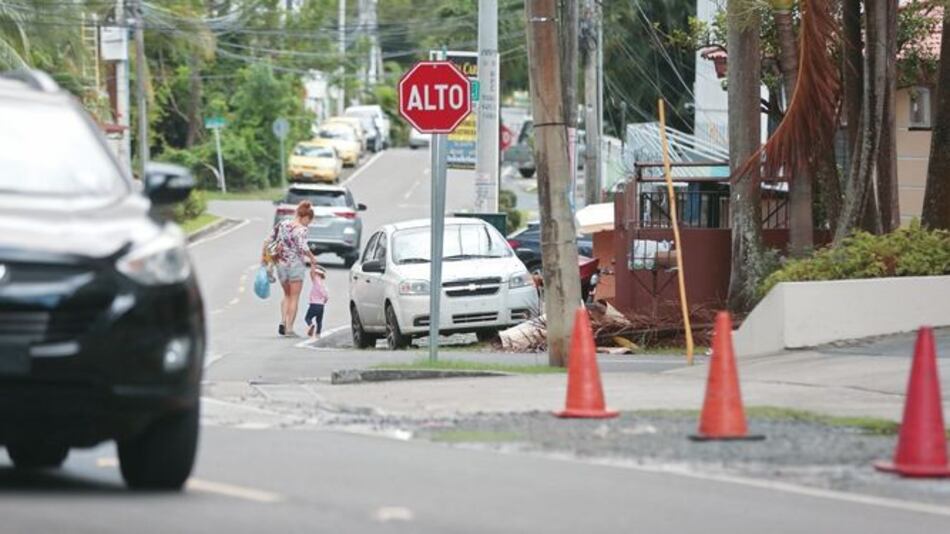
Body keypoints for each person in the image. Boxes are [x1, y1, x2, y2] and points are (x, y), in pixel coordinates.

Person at [265, 201, 319, 336]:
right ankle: (289, 328)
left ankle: (283, 321)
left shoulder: (283, 224)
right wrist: (312, 257)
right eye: (309, 221)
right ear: (306, 217)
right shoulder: (302, 229)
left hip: (281, 264)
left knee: (287, 295)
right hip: (295, 265)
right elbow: (302, 247)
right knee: (294, 297)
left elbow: (269, 239)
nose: (308, 224)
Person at [305, 264, 328, 338]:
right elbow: (326, 296)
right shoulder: (323, 284)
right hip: (321, 306)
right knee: (319, 321)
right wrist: (324, 301)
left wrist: (313, 263)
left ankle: (310, 324)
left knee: (307, 318)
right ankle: (318, 333)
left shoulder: (315, 280)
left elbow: (311, 272)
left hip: (314, 304)